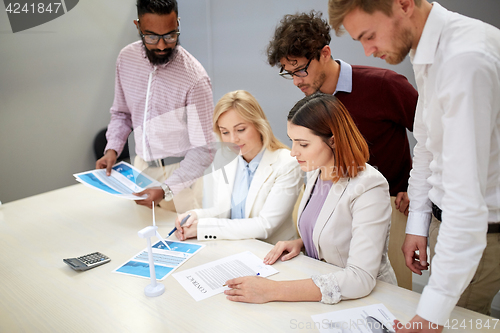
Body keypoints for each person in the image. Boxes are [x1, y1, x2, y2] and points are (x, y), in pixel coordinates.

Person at [328, 0, 500, 331]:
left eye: (369, 35)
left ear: (404, 5)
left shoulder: (464, 60)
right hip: (448, 221)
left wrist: (429, 317)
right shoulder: (427, 51)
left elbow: (467, 204)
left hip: (480, 231)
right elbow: (427, 146)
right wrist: (418, 224)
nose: (367, 51)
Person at [266, 11, 418, 289]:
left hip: (393, 203)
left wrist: (417, 184)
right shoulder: (312, 105)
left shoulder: (385, 85)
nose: (297, 81)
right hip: (340, 211)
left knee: (391, 295)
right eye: (290, 73)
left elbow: (434, 138)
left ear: (325, 53)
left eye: (301, 70)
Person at [224, 93, 396, 304]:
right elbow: (334, 229)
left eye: (303, 144)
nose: (293, 152)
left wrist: (272, 291)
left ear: (333, 141)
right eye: (292, 142)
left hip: (366, 299)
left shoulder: (369, 186)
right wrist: (303, 242)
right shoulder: (316, 170)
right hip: (320, 288)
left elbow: (359, 278)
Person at [96, 0, 215, 213]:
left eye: (170, 35)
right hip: (140, 168)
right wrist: (112, 149)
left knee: (178, 240)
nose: (161, 45)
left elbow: (204, 150)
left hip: (180, 176)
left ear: (178, 24)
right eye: (151, 36)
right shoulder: (126, 59)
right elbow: (122, 114)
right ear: (137, 26)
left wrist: (167, 189)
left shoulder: (195, 78)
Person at [174, 90, 303, 244]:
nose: (233, 139)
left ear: (258, 125)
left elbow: (264, 226)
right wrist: (195, 216)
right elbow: (223, 212)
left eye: (240, 130)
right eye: (225, 132)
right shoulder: (225, 158)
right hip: (236, 248)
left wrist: (203, 228)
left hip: (272, 252)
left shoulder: (287, 163)